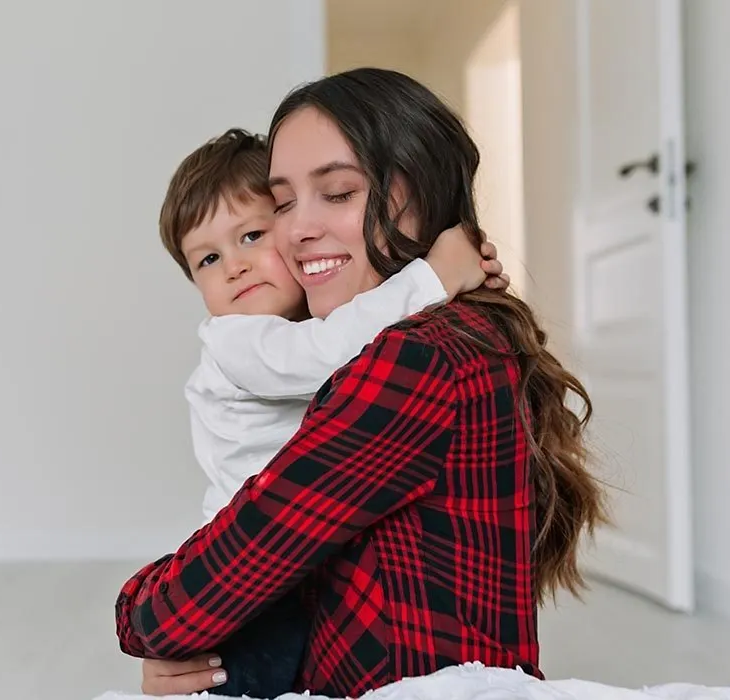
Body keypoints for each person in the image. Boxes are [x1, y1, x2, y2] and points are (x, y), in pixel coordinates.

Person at [117, 67, 608, 698]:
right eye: (285, 202)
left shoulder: (417, 359)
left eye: (339, 193)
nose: (296, 230)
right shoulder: (449, 337)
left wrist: (146, 622)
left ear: (423, 191)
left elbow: (183, 604)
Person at [153, 128, 507, 698]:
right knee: (249, 683)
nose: (236, 267)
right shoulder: (236, 340)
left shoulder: (331, 335)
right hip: (252, 576)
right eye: (209, 259)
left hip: (293, 553)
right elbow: (329, 352)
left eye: (251, 235)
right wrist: (436, 277)